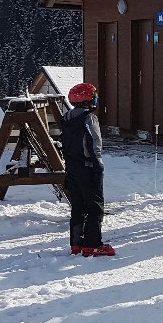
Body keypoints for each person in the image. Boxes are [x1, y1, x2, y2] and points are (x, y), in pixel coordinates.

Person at [61, 83, 115, 257]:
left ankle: (76, 244)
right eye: (94, 97)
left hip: (72, 167)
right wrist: (98, 166)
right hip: (88, 166)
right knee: (95, 206)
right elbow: (94, 143)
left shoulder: (66, 118)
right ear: (89, 99)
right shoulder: (89, 118)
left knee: (78, 206)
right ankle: (92, 244)